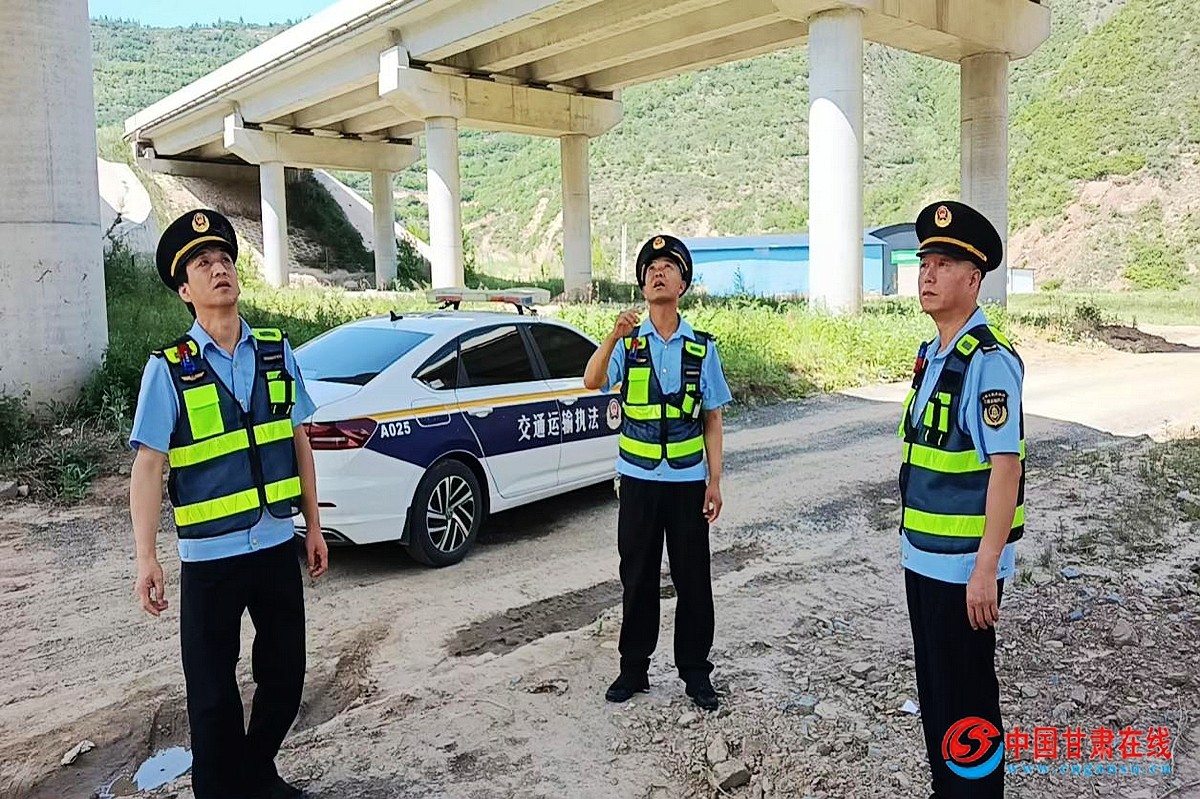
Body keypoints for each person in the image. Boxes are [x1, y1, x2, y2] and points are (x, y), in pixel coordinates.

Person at [128, 209, 328, 799]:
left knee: (285, 676)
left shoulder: (275, 350)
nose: (219, 269)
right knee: (212, 695)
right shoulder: (169, 370)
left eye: (224, 260)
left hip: (275, 545)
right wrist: (146, 557)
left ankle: (256, 772)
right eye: (203, 264)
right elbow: (148, 466)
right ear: (185, 291)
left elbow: (299, 439)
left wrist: (314, 526)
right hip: (210, 560)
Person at [898, 201, 1026, 798]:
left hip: (962, 569)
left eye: (944, 264)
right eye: (925, 262)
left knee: (968, 698)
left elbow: (1006, 469)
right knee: (936, 691)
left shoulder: (989, 363)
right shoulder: (934, 356)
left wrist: (984, 569)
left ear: (974, 280)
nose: (928, 273)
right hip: (923, 558)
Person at [583, 234, 733, 712]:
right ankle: (634, 669)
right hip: (639, 482)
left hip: (687, 483)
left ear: (682, 284)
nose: (657, 273)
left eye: (667, 267)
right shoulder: (628, 344)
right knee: (638, 577)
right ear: (643, 285)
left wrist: (714, 481)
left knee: (694, 580)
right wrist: (612, 336)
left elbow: (712, 418)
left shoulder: (702, 349)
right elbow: (591, 381)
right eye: (650, 269)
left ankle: (696, 673)